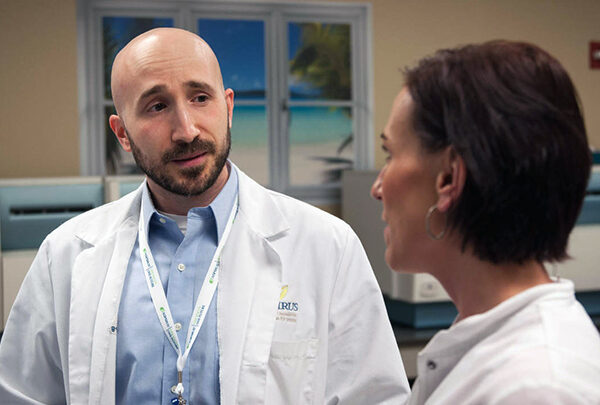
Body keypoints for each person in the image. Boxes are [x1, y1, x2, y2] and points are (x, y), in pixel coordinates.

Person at [0, 28, 409, 404]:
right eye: (157, 106)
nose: (187, 129)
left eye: (200, 97)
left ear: (228, 107)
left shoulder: (326, 246)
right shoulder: (66, 255)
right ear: (122, 133)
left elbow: (374, 398)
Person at [371, 40, 600, 404]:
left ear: (448, 178)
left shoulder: (537, 388)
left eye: (390, 154)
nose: (377, 188)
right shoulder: (487, 345)